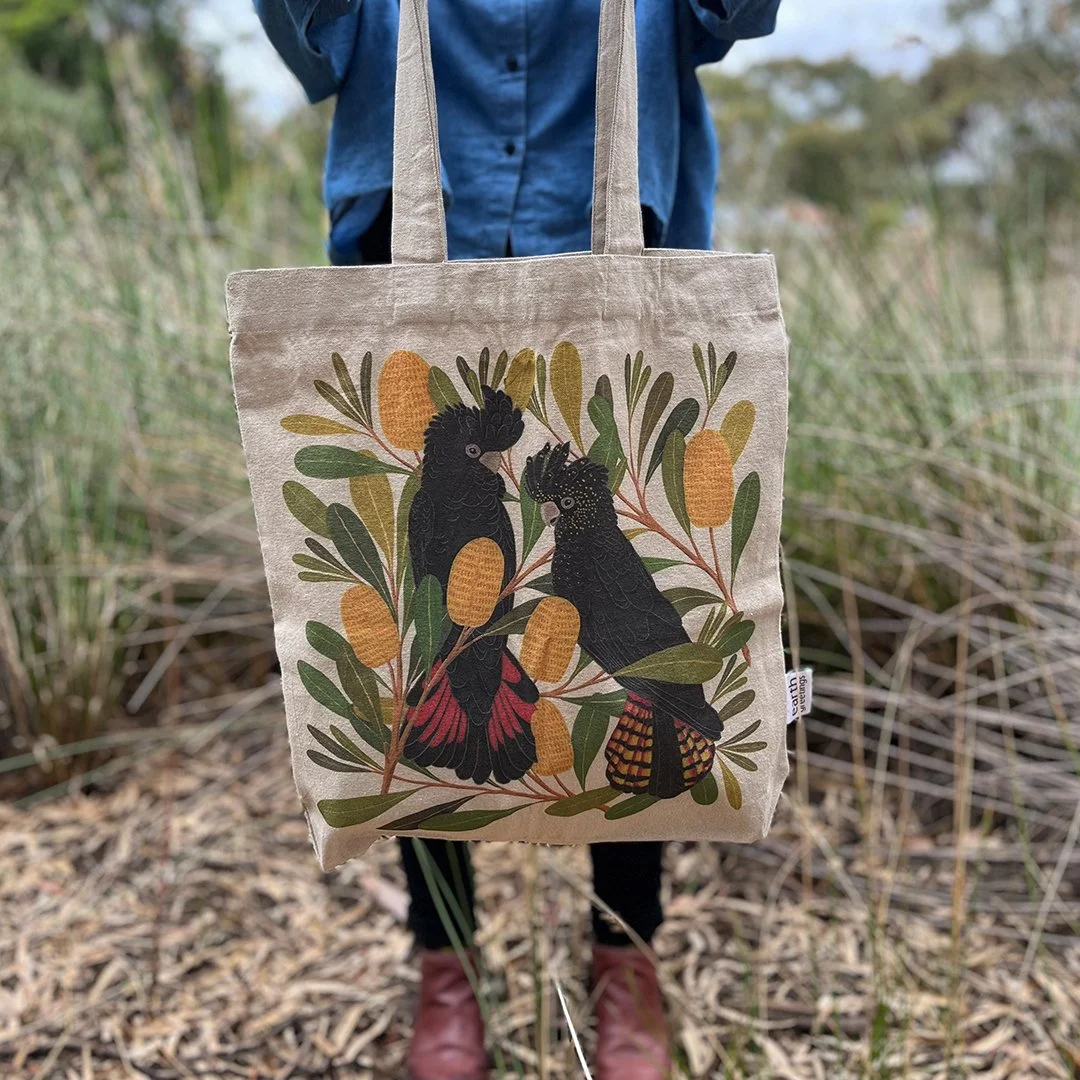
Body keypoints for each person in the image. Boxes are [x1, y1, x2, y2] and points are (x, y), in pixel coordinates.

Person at [254, 2, 780, 1077]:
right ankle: (443, 965)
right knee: (428, 634)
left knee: (638, 616)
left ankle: (625, 956)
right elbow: (311, 33)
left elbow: (735, 14)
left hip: (621, 252)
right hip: (405, 262)